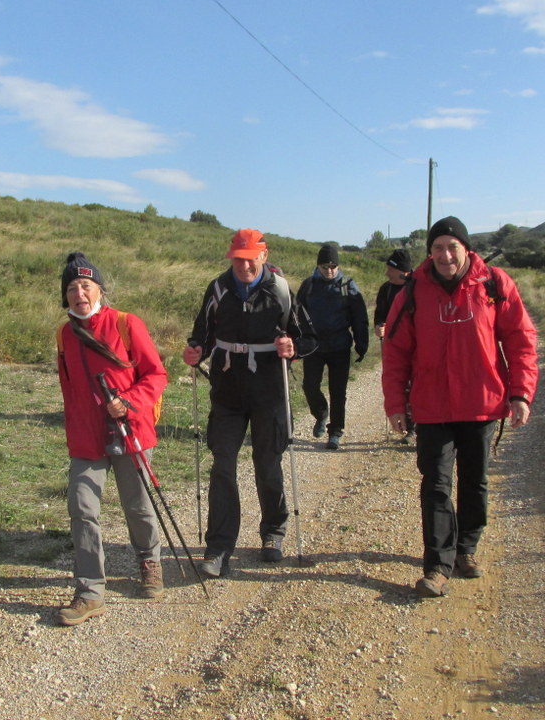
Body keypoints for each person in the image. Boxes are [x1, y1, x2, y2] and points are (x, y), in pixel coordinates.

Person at [381, 217, 538, 599]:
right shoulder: (414, 291)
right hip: (433, 406)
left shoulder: (494, 284)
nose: (445, 255)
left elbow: (520, 339)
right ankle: (437, 564)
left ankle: (466, 548)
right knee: (435, 485)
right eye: (437, 248)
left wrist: (520, 394)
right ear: (429, 253)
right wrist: (395, 403)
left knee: (474, 481)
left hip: (482, 402)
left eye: (452, 247)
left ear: (466, 249)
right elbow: (396, 350)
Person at [182, 228, 317, 577]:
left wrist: (294, 348)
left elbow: (308, 337)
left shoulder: (281, 290)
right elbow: (203, 333)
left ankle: (273, 531)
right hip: (227, 390)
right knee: (223, 464)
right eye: (238, 259)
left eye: (250, 259)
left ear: (264, 255)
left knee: (267, 463)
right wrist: (196, 349)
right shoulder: (218, 288)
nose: (244, 266)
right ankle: (219, 546)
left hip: (269, 389)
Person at [54, 252, 168, 626]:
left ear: (99, 289)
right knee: (82, 508)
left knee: (137, 505)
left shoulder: (125, 323)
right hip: (86, 437)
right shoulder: (65, 334)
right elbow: (68, 389)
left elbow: (156, 375)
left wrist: (128, 402)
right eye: (71, 287)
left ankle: (149, 561)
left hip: (129, 428)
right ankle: (89, 592)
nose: (78, 293)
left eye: (85, 285)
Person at [296, 243, 369, 450]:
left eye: (333, 266)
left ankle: (335, 431)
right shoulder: (308, 286)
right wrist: (297, 341)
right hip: (314, 347)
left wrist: (361, 344)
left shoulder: (348, 286)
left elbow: (359, 317)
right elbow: (297, 315)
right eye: (325, 266)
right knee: (310, 386)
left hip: (339, 347)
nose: (329, 270)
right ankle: (320, 413)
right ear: (318, 266)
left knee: (338, 391)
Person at [373, 248, 414, 445]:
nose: (387, 272)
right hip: (392, 347)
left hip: (415, 347)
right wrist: (378, 327)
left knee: (415, 386)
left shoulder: (417, 288)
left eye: (390, 268)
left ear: (403, 271)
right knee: (398, 384)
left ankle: (413, 428)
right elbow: (379, 315)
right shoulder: (386, 289)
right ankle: (406, 425)